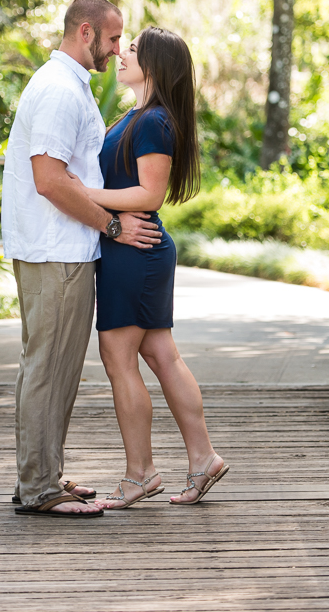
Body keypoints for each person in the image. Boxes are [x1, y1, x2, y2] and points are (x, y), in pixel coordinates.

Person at [3, 0, 162, 518]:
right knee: (48, 368)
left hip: (64, 250)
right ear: (88, 32)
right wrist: (112, 225)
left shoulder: (72, 87)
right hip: (55, 252)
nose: (119, 52)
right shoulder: (57, 91)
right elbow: (49, 181)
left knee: (57, 367)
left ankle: (43, 472)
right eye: (115, 40)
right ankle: (39, 489)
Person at [66, 27, 229, 509]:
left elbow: (149, 195)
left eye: (131, 49)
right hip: (136, 248)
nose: (120, 54)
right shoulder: (138, 115)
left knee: (120, 360)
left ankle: (140, 474)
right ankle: (203, 460)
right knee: (161, 355)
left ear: (154, 64)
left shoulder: (154, 121)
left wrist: (83, 194)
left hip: (135, 249)